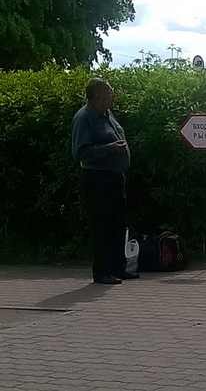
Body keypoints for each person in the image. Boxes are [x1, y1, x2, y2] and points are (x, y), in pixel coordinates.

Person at [72, 78, 137, 285]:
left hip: (115, 177)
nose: (112, 96)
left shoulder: (107, 114)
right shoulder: (84, 118)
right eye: (109, 93)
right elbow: (81, 152)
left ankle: (118, 267)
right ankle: (101, 272)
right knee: (102, 226)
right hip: (97, 179)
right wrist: (110, 149)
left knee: (118, 223)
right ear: (97, 95)